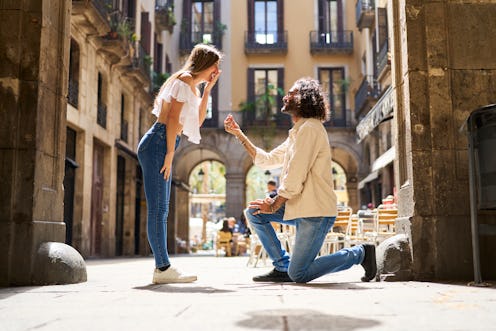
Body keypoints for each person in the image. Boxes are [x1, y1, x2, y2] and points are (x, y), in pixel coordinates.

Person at [224, 77, 376, 283]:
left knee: (299, 274)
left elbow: (295, 177)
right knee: (254, 213)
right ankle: (281, 267)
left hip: (316, 212)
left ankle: (361, 253)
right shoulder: (298, 132)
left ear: (304, 99)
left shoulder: (311, 129)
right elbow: (267, 160)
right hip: (299, 208)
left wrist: (275, 203)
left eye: (292, 93)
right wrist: (239, 134)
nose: (286, 96)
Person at [137, 44, 222, 284]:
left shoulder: (190, 86)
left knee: (161, 210)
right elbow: (173, 118)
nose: (217, 70)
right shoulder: (184, 79)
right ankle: (162, 269)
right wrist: (170, 153)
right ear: (205, 64)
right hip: (159, 142)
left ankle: (162, 268)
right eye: (215, 65)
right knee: (158, 210)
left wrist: (208, 89)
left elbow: (198, 119)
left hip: (162, 142)